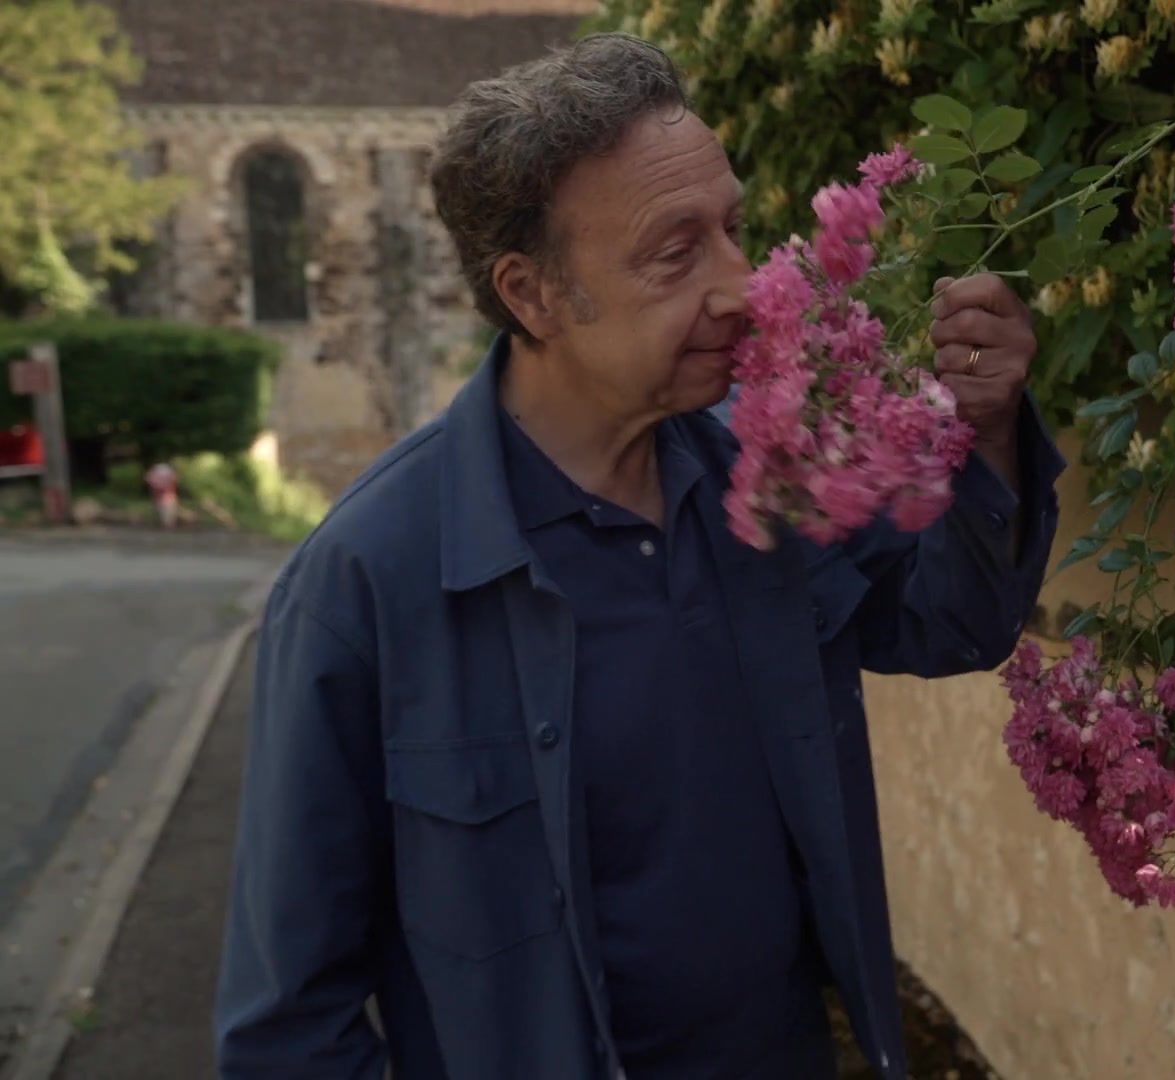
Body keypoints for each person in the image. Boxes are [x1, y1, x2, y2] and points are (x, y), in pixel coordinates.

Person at [211, 32, 1063, 1080]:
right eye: (675, 253)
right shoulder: (364, 584)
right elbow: (286, 1029)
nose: (743, 286)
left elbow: (954, 621)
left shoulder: (774, 470)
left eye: (733, 230)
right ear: (531, 294)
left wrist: (987, 433)